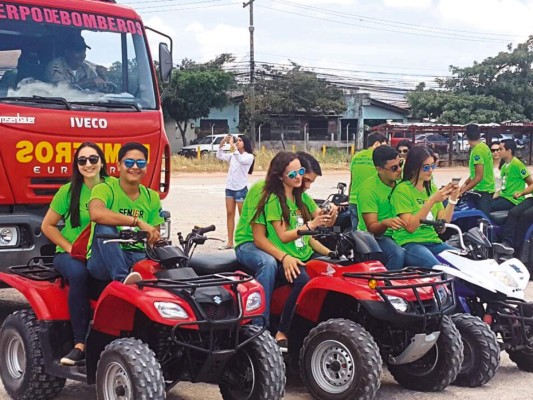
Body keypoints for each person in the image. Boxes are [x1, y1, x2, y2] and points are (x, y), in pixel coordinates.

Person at [234, 152, 334, 346]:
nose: (302, 181)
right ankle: (259, 327)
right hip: (250, 242)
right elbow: (260, 238)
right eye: (297, 176)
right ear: (280, 175)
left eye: (301, 173)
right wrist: (285, 257)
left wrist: (332, 214)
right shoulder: (264, 194)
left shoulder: (299, 196)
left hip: (280, 244)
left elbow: (314, 225)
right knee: (268, 263)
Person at [41, 142, 111, 366]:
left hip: (104, 252)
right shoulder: (68, 191)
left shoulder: (114, 187)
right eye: (82, 160)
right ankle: (79, 343)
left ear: (102, 162)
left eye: (93, 159)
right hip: (70, 255)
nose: (88, 164)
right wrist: (70, 248)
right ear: (76, 165)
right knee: (80, 275)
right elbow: (48, 225)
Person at [87, 142, 164, 283]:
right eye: (129, 162)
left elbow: (153, 236)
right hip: (104, 259)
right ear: (118, 166)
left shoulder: (152, 196)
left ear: (146, 167)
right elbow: (96, 214)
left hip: (139, 256)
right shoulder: (104, 189)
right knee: (104, 227)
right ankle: (123, 279)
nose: (134, 167)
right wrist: (137, 221)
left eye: (140, 163)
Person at [390, 146, 460, 268]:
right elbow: (410, 227)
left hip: (433, 241)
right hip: (410, 242)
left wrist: (452, 199)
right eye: (426, 167)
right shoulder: (402, 190)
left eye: (433, 166)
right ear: (414, 168)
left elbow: (443, 220)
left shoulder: (431, 188)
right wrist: (432, 200)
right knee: (438, 268)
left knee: (462, 260)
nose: (430, 171)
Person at [357, 146, 406, 270]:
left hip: (399, 233)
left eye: (400, 164)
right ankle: (385, 286)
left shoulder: (402, 182)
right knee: (397, 254)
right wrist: (385, 223)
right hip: (373, 236)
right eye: (394, 168)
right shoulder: (368, 190)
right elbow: (371, 227)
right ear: (379, 169)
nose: (399, 170)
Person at [216, 135, 254, 250]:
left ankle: (244, 240)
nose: (238, 142)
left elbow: (241, 160)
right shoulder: (233, 155)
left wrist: (233, 146)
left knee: (243, 216)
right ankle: (230, 242)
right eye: (237, 140)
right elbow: (219, 155)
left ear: (245, 143)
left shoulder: (249, 156)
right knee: (229, 214)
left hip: (240, 188)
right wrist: (223, 142)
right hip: (230, 187)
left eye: (240, 141)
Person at [348, 133, 388, 230]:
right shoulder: (379, 158)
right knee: (371, 237)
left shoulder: (356, 157)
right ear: (377, 144)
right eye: (385, 145)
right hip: (369, 202)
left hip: (353, 200)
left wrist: (349, 198)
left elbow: (352, 180)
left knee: (357, 238)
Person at [459, 124, 494, 217]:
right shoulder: (484, 147)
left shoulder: (477, 151)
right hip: (484, 190)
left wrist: (463, 191)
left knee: (482, 220)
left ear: (467, 136)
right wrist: (465, 184)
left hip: (483, 192)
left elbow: (479, 176)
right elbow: (474, 174)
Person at [491, 139, 533, 212]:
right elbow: (503, 187)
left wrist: (521, 193)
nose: (498, 151)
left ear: (509, 151)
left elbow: (531, 183)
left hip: (513, 201)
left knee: (489, 207)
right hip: (504, 197)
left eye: (500, 149)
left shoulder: (517, 165)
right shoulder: (504, 166)